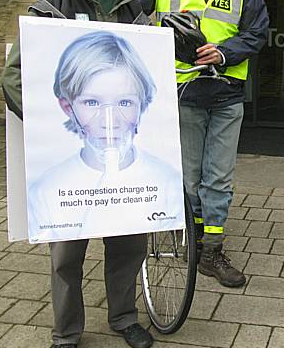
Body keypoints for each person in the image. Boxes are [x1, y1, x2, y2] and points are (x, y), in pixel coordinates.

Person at [1, 0, 153, 348]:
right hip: (74, 155)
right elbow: (14, 78)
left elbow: (151, 73)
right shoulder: (51, 7)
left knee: (128, 241)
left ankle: (124, 314)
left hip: (127, 153)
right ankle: (66, 334)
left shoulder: (137, 4)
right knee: (67, 251)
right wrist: (55, 123)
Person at [137, 0, 268, 288]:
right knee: (190, 176)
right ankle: (193, 240)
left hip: (227, 92)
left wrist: (225, 52)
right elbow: (131, 14)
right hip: (184, 91)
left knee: (219, 178)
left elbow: (257, 31)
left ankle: (211, 251)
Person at [27, 31, 182, 243]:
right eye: (92, 102)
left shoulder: (167, 183)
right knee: (66, 257)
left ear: (142, 105)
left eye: (125, 103)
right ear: (67, 107)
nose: (109, 120)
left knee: (128, 254)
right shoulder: (46, 192)